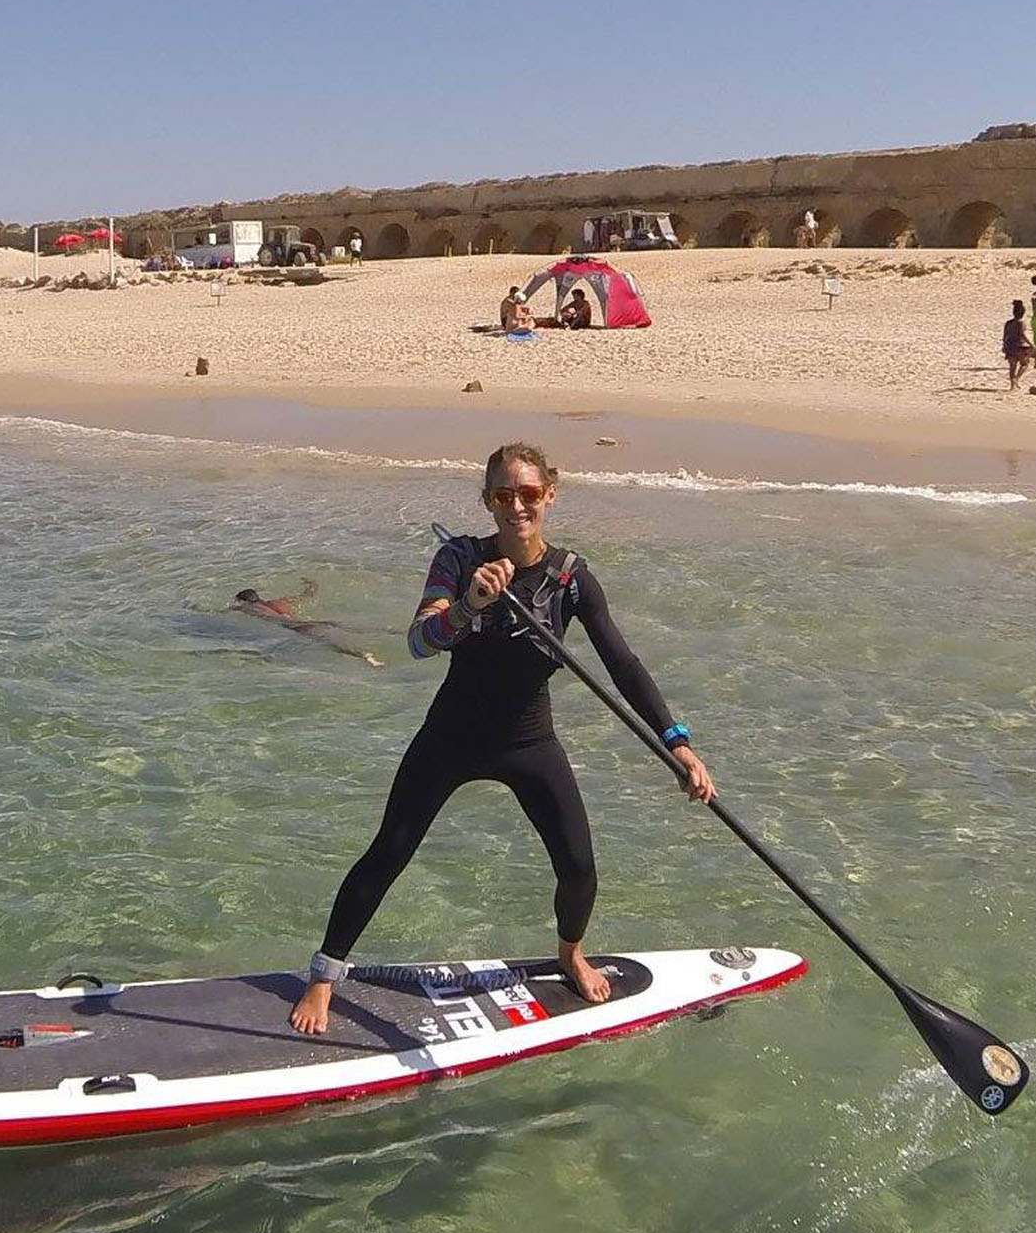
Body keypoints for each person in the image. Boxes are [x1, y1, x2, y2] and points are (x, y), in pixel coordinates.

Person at [287, 442, 715, 1034]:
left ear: (550, 496)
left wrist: (677, 743)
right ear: (487, 502)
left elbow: (622, 661)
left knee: (579, 869)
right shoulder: (459, 558)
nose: (516, 506)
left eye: (529, 494)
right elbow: (418, 641)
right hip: (452, 735)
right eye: (502, 495)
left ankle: (570, 952)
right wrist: (468, 605)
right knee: (389, 852)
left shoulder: (570, 576)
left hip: (528, 741)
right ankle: (324, 974)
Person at [231, 583, 383, 668]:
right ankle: (391, 632)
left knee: (330, 645)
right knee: (347, 627)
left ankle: (365, 657)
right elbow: (306, 596)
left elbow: (221, 613)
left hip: (297, 628)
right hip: (308, 622)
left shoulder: (247, 608)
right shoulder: (278, 602)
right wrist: (312, 585)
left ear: (243, 601)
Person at [1003, 299, 1034, 391]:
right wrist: (1031, 344)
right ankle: (1017, 379)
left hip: (1010, 346)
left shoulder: (1008, 323)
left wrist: (1004, 346)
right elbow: (1022, 335)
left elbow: (1005, 335)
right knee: (1025, 364)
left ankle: (1012, 385)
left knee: (1012, 366)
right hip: (1020, 347)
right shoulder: (1021, 323)